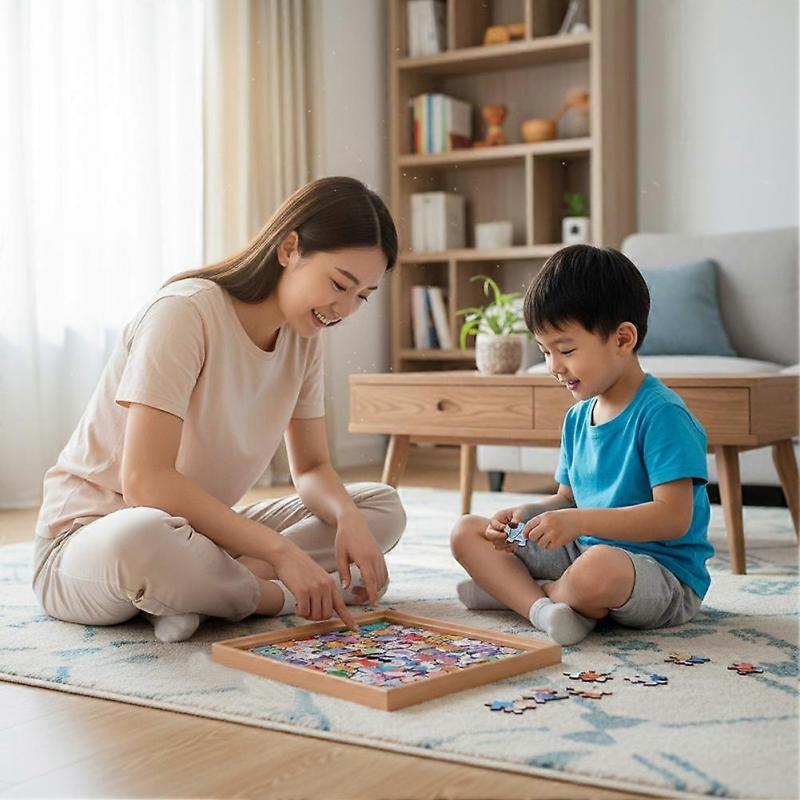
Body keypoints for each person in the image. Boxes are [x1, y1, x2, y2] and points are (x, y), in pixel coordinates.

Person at [33, 176, 407, 642]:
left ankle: (197, 594)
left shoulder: (304, 339)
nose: (345, 309)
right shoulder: (184, 313)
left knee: (380, 506)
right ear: (289, 248)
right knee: (144, 538)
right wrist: (283, 555)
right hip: (91, 542)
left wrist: (348, 518)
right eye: (339, 284)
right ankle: (275, 597)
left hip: (199, 539)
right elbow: (145, 481)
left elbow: (311, 467)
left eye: (362, 297)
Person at [450, 245, 713, 645]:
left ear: (623, 338)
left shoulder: (663, 415)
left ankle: (525, 593)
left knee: (598, 569)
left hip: (659, 573)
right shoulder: (577, 417)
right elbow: (567, 500)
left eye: (566, 350)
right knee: (469, 532)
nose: (554, 366)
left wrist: (580, 522)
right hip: (585, 549)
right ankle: (547, 609)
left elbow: (672, 518)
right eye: (545, 352)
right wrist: (527, 514)